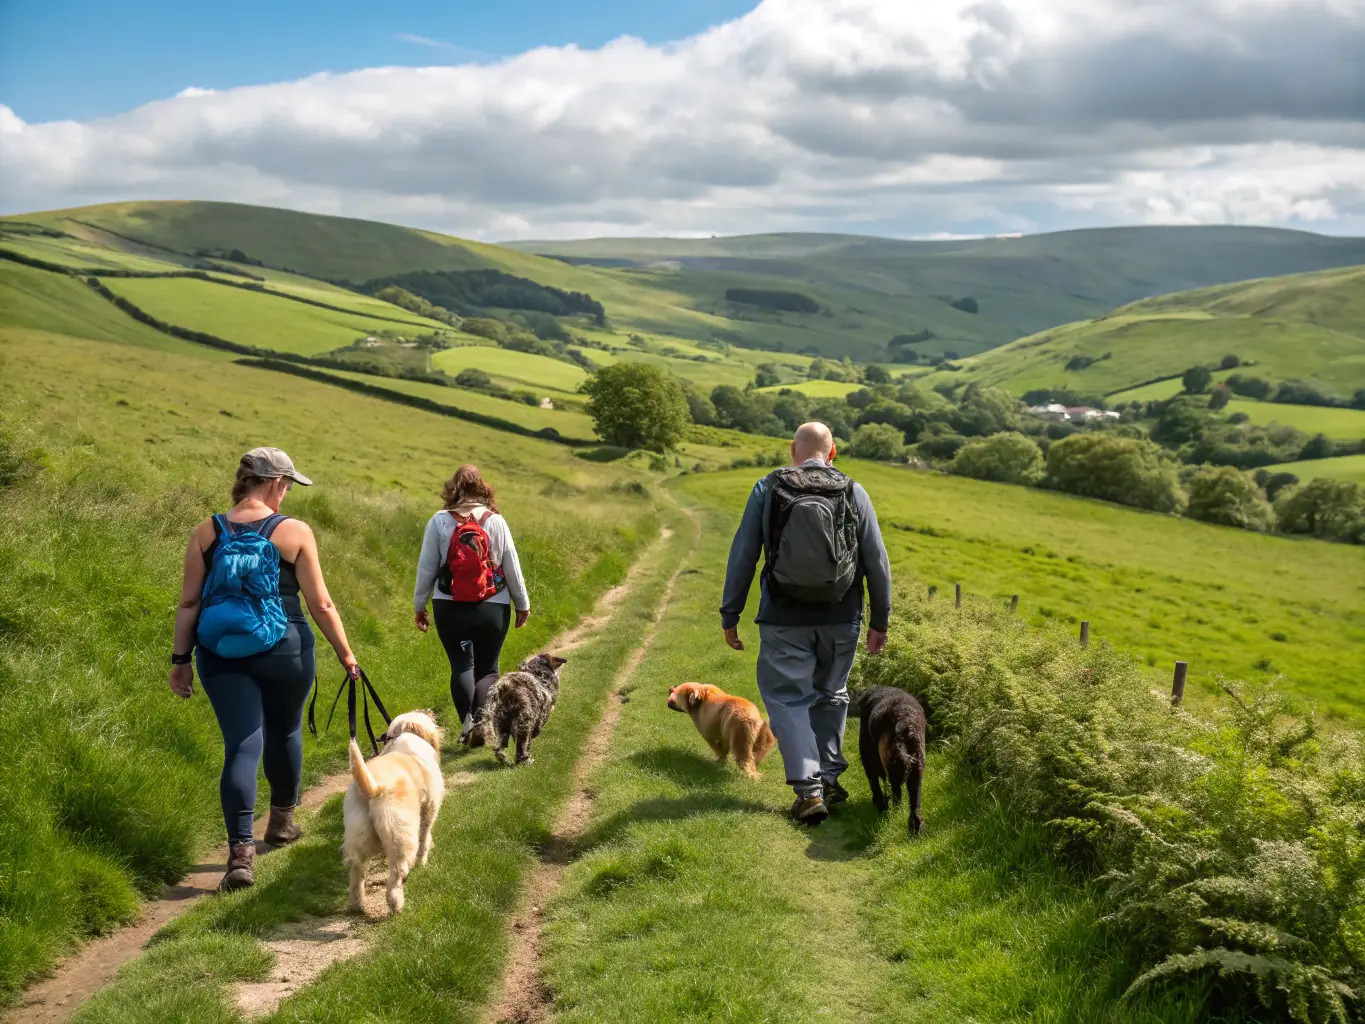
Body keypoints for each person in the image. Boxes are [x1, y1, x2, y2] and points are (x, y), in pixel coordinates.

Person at [169, 447, 360, 891]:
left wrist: (181, 662)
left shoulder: (206, 531)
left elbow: (189, 603)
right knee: (285, 732)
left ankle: (239, 854)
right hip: (285, 649)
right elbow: (321, 602)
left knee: (241, 745)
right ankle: (280, 823)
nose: (288, 493)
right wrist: (345, 653)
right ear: (275, 483)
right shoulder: (293, 532)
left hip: (219, 652)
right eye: (289, 485)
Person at [719, 421, 892, 825]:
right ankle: (829, 777)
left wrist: (731, 613)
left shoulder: (768, 488)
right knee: (831, 694)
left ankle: (810, 790)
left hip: (784, 616)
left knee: (788, 699)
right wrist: (879, 620)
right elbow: (876, 560)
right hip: (842, 615)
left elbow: (744, 554)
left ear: (792, 451)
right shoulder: (853, 490)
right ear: (833, 453)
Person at [413, 465, 529, 739]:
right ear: (483, 489)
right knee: (488, 668)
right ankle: (482, 722)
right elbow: (512, 566)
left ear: (452, 490)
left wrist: (420, 605)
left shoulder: (439, 521)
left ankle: (466, 723)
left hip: (449, 605)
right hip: (493, 604)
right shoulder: (495, 520)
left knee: (462, 665)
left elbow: (427, 568)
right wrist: (522, 603)